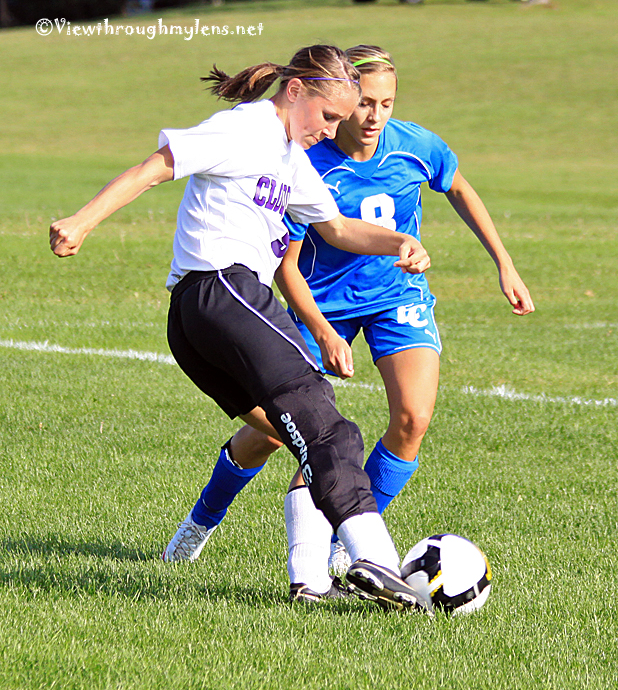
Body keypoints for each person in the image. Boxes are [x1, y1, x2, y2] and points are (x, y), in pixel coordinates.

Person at [49, 44, 432, 611]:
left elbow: (338, 230)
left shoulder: (291, 157)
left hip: (194, 323)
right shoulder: (246, 128)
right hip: (222, 289)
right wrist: (82, 221)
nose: (333, 131)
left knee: (300, 434)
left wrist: (401, 240)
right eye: (329, 116)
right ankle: (372, 558)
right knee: (330, 428)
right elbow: (156, 166)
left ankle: (308, 581)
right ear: (296, 90)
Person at [166, 44, 535, 603]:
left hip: (395, 296)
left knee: (412, 418)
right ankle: (203, 519)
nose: (373, 117)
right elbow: (287, 263)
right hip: (322, 304)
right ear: (336, 98)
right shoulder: (302, 157)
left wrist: (504, 264)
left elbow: (458, 185)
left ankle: (346, 550)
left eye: (386, 103)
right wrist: (321, 329)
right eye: (362, 104)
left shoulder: (415, 145)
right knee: (278, 433)